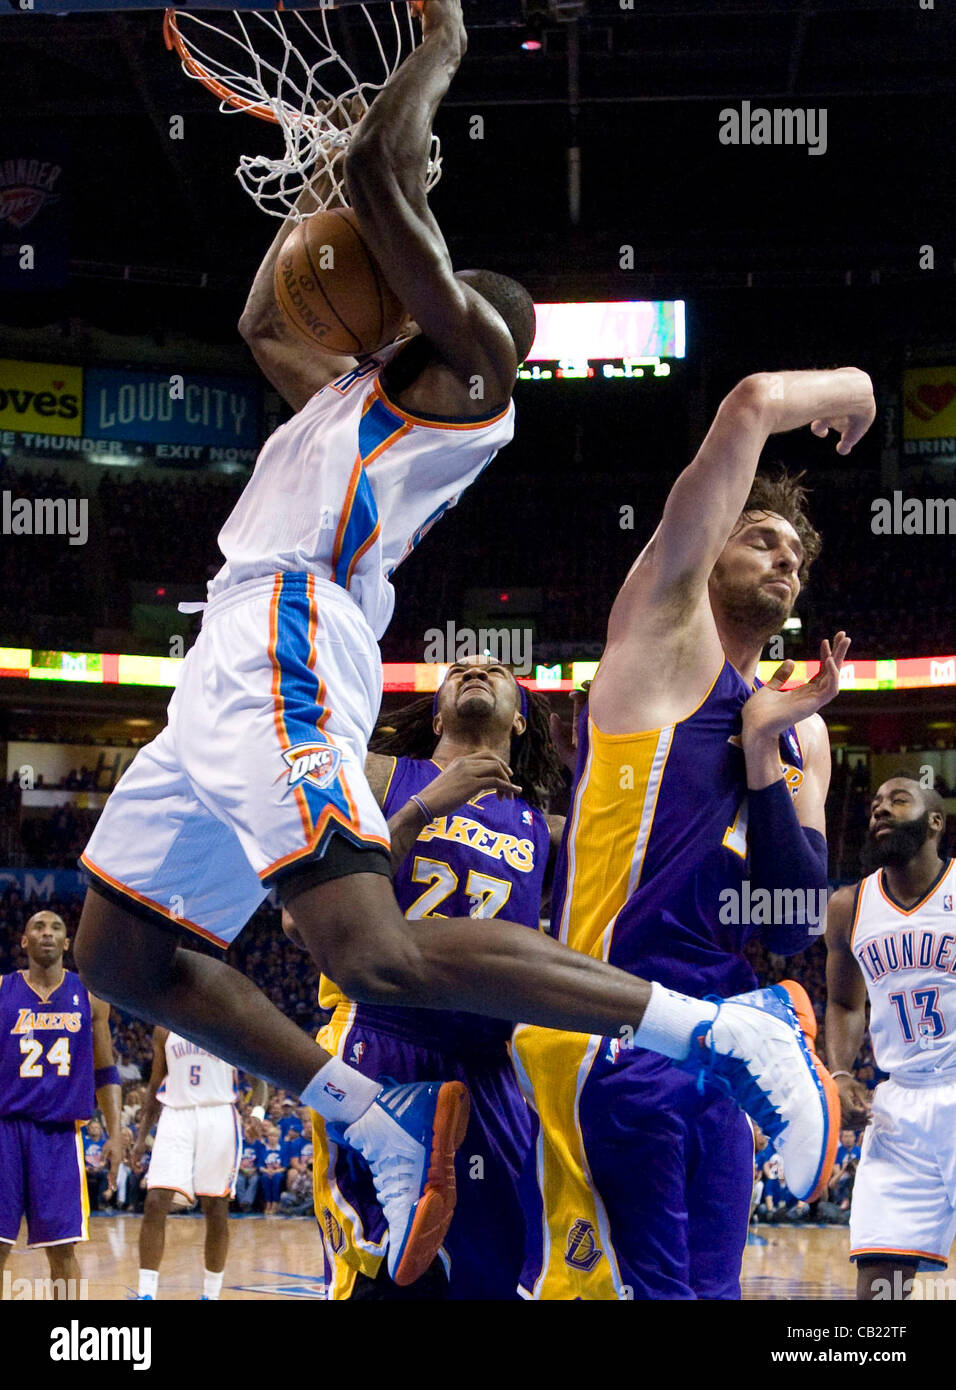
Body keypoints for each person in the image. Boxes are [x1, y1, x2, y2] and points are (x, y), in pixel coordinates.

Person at [72, 0, 838, 1287]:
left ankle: (717, 1035)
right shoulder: (346, 397)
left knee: (372, 951)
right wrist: (322, 178)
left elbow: (386, 179)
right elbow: (270, 317)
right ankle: (366, 1119)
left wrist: (435, 45)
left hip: (290, 638)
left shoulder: (474, 375)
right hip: (227, 656)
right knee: (121, 953)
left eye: (408, 276)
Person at [513, 366, 875, 1300]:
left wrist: (762, 754)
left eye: (798, 554)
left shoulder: (804, 728)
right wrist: (857, 387)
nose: (787, 561)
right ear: (709, 552)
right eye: (761, 539)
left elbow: (794, 925)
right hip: (605, 1029)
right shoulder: (666, 637)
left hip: (724, 1047)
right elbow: (753, 401)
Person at [309, 655, 564, 1300]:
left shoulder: (552, 832)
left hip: (492, 1067)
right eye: (459, 668)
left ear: (524, 719)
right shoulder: (378, 773)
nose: (476, 668)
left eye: (498, 669)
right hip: (383, 1039)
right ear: (435, 711)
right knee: (390, 1278)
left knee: (496, 1280)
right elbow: (309, 915)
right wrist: (422, 809)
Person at [825, 774, 954, 1300]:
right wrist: (838, 1073)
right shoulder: (848, 907)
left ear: (935, 822)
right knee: (879, 1283)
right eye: (875, 803)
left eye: (899, 801)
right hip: (898, 1103)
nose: (880, 810)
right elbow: (843, 1002)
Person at [0, 911, 121, 1298]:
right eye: (37, 926)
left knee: (62, 1247)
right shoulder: (2, 989)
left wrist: (116, 1134)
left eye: (55, 928)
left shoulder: (90, 996)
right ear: (24, 941)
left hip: (59, 1135)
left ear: (67, 943)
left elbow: (106, 1070)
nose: (47, 933)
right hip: (5, 1130)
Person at [131, 1026, 266, 1300]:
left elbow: (259, 1079)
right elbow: (156, 1083)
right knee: (155, 1201)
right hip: (175, 1114)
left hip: (218, 1114)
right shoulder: (163, 1028)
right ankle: (146, 1293)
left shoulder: (227, 1020)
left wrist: (258, 1114)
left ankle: (211, 1294)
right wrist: (141, 1137)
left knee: (215, 1207)